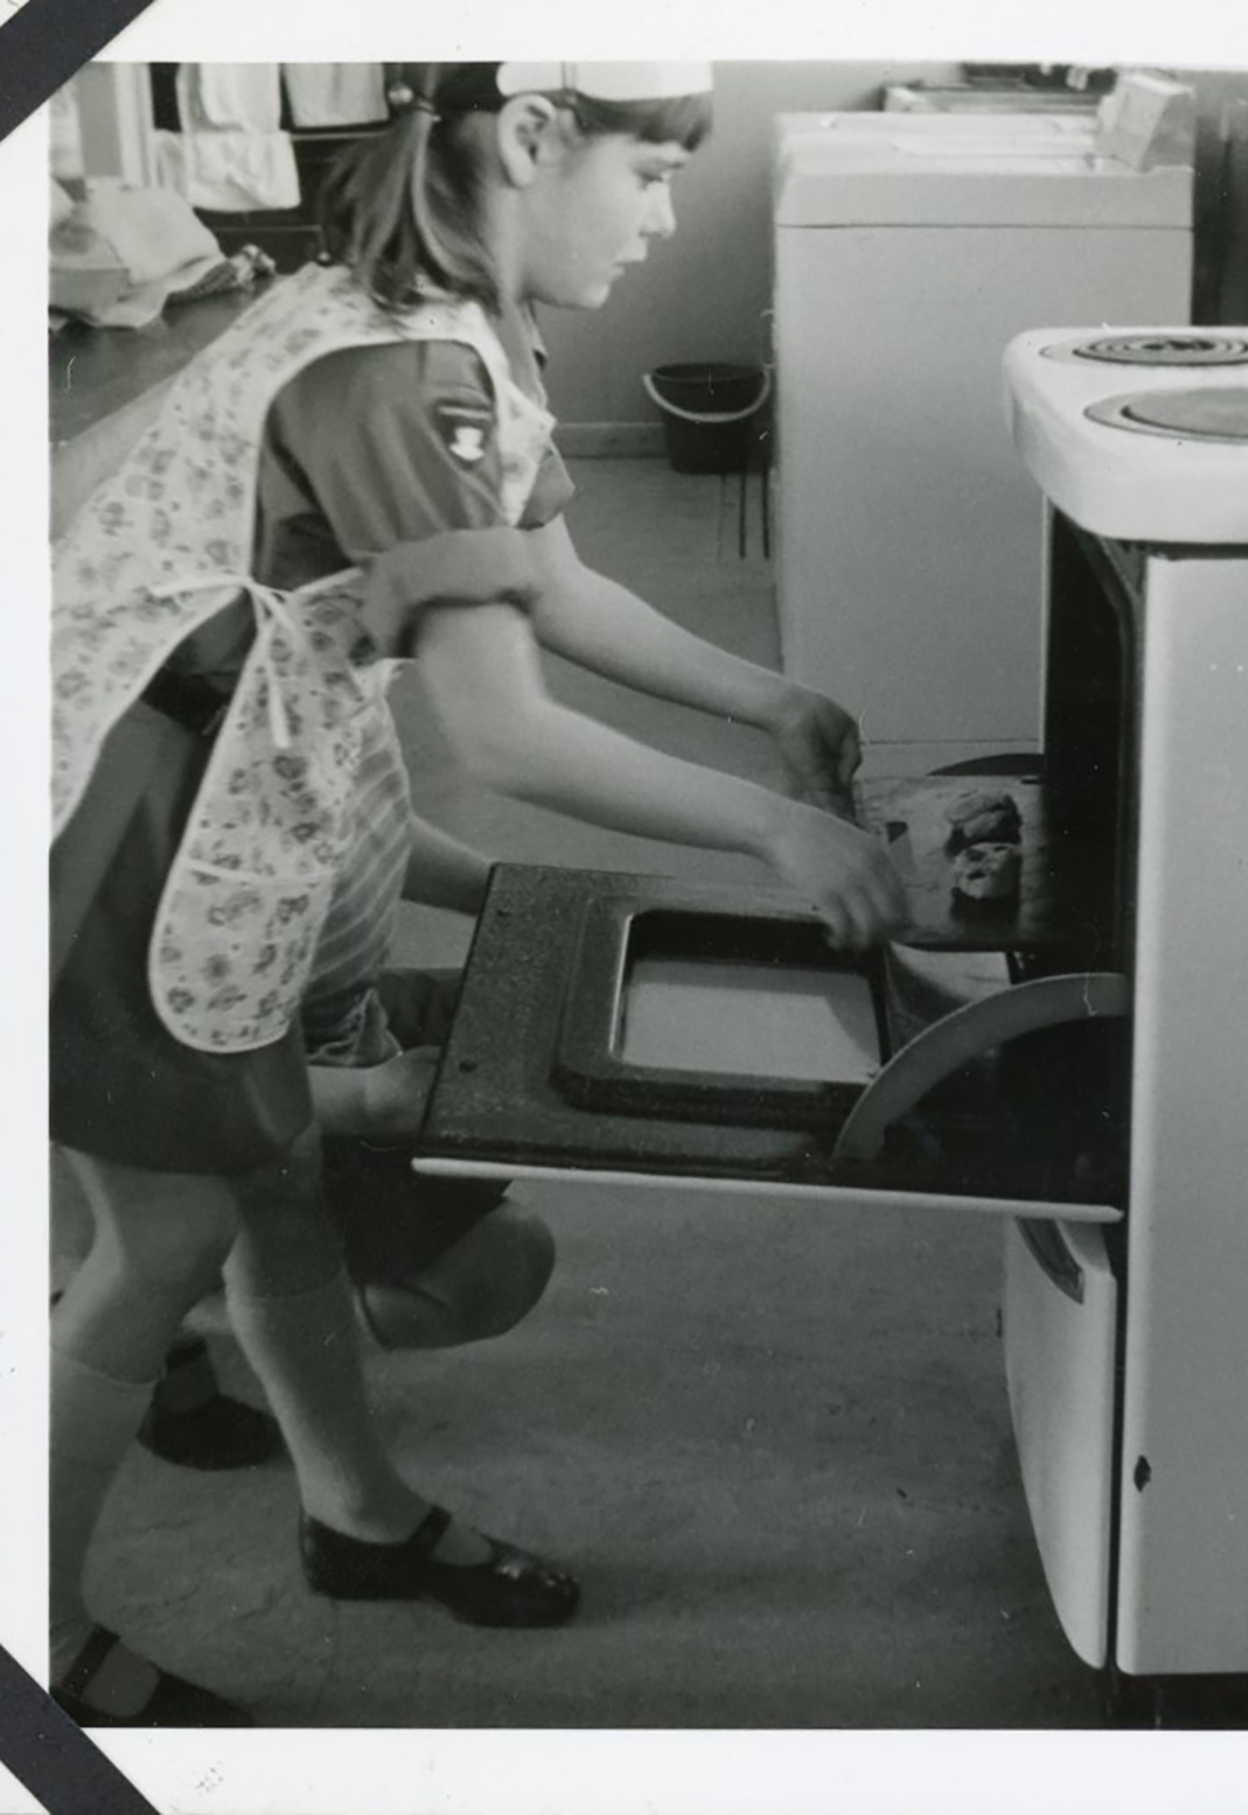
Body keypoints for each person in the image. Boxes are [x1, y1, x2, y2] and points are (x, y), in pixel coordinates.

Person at [47, 59, 906, 1729]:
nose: (665, 222)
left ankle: (356, 1516)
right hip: (124, 833)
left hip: (230, 807)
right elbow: (502, 732)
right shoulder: (392, 374)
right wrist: (773, 831)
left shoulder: (461, 328)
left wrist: (770, 701)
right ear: (529, 140)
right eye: (650, 174)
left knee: (274, 1193)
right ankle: (42, 1643)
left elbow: (555, 588)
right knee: (161, 1248)